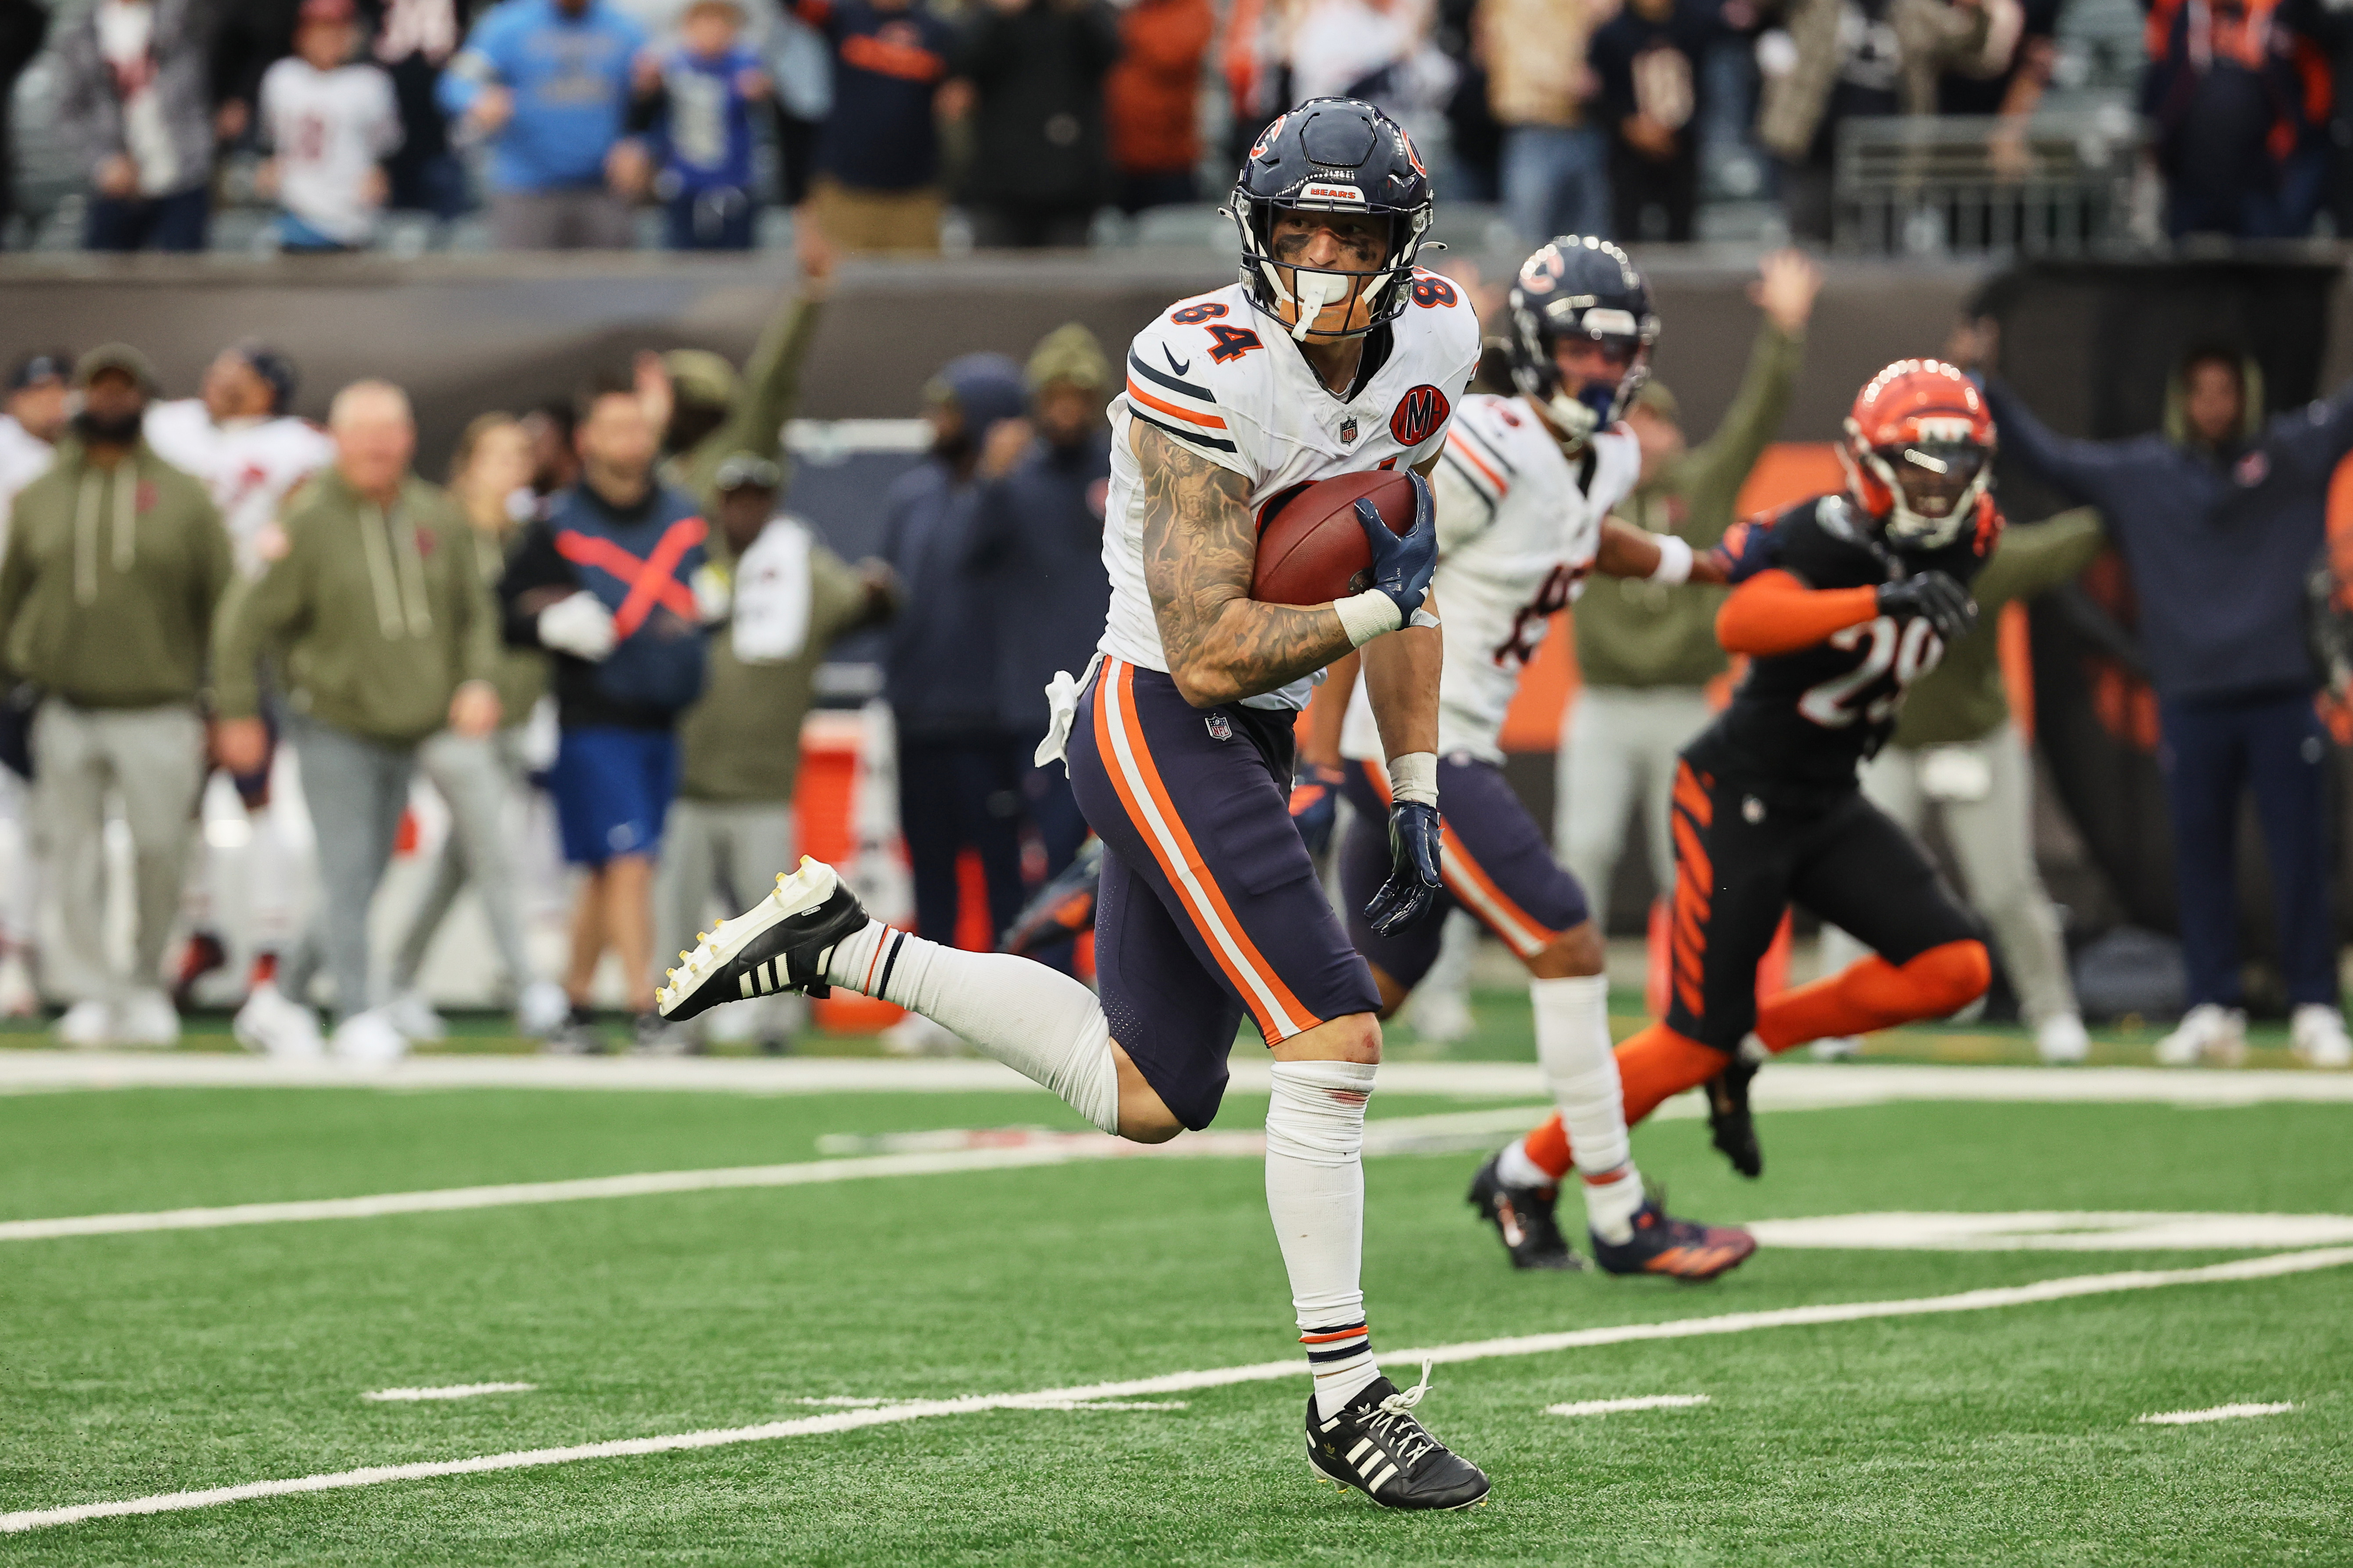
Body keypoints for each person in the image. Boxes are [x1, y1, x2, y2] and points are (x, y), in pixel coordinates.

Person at [661, 97, 1492, 1510]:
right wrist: (1373, 598)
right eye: (1295, 227)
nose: (1320, 255)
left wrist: (1411, 784)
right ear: (1252, 228)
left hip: (1256, 734)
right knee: (1336, 1039)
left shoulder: (1435, 343)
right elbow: (1221, 641)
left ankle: (845, 945)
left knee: (1151, 1092)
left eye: (1350, 233)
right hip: (1159, 709)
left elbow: (1402, 577)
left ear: (1401, 246)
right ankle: (1349, 1401)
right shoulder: (1194, 360)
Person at [1307, 237, 1754, 1279]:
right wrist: (1320, 763)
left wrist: (1705, 564)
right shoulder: (1492, 442)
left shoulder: (1608, 456)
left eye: (1618, 352)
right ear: (1537, 350)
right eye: (1581, 349)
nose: (1602, 371)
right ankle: (1619, 1211)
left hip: (1443, 744)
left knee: (1368, 991)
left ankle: (1203, 1048)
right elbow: (1366, 578)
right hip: (1418, 745)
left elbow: (1581, 533)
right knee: (1565, 936)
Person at [1494, 358, 2001, 1197]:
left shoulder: (1974, 535)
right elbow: (1742, 619)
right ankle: (1524, 1168)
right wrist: (1878, 600)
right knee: (1689, 1036)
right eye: (1917, 464)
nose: (1939, 487)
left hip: (1827, 796)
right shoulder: (1823, 535)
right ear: (1868, 463)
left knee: (1955, 968)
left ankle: (1750, 1042)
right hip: (1738, 795)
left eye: (1955, 465)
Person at [1964, 326, 2353, 1069]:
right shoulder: (2141, 472)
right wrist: (1982, 380)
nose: (2213, 405)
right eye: (2200, 391)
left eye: (2226, 390)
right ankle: (2212, 1005)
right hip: (2191, 697)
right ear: (2181, 400)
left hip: (2280, 696)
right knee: (2198, 857)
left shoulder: (2294, 455)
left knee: (2300, 855)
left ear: (2246, 394)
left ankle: (2314, 1003)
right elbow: (2047, 457)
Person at [214, 382, 503, 1063]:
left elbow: (476, 613)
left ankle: (279, 999)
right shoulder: (306, 522)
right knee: (346, 870)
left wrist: (479, 679)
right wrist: (234, 706)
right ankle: (355, 1010)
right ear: (337, 440)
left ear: (408, 438)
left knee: (366, 871)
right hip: (330, 720)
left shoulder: (438, 514)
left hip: (409, 723)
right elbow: (241, 620)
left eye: (389, 430)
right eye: (362, 431)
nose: (376, 445)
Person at [1555, 249, 1817, 981]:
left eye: (1656, 423)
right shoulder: (1585, 485)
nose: (1644, 435)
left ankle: (1702, 985)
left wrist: (1785, 331)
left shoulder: (1702, 486)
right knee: (1582, 846)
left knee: (1693, 855)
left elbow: (1756, 416)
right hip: (1601, 702)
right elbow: (1516, 428)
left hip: (1682, 702)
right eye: (1631, 420)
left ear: (1673, 432)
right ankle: (1573, 983)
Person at [0, 345, 232, 1046]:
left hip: (159, 702)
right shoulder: (41, 494)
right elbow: (11, 594)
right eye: (98, 392)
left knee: (161, 849)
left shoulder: (187, 495)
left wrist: (225, 698)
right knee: (72, 855)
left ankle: (143, 981)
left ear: (144, 402)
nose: (109, 403)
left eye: (122, 392)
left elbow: (223, 601)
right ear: (80, 401)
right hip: (65, 703)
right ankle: (95, 988)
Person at [1815, 506, 2106, 1064]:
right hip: (1889, 744)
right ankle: (1838, 1011)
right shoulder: (1854, 554)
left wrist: (2113, 508)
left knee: (2004, 888)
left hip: (1976, 740)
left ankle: (2053, 1011)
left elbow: (2060, 547)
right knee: (1856, 880)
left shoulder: (1985, 562)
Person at [500, 376, 714, 1052]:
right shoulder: (557, 522)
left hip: (663, 717)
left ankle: (575, 1007)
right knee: (632, 862)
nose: (633, 441)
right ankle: (650, 1008)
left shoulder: (682, 517)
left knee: (604, 867)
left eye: (640, 427)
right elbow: (508, 609)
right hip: (594, 718)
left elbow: (709, 586)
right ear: (587, 439)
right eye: (616, 428)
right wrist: (550, 620)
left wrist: (710, 608)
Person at [655, 451, 894, 1052]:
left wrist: (878, 592)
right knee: (678, 923)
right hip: (685, 778)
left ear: (773, 503)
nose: (744, 509)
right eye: (734, 497)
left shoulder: (801, 568)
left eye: (756, 498)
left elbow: (868, 604)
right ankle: (678, 1025)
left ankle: (776, 1028)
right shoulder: (689, 560)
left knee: (774, 921)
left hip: (762, 781)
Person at [144, 342, 335, 1008]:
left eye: (240, 372)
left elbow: (316, 516)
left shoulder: (299, 447)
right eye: (220, 364)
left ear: (269, 392)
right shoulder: (169, 426)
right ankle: (201, 929)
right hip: (176, 635)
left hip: (254, 640)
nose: (219, 375)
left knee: (257, 794)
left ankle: (269, 948)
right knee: (181, 797)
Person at [384, 413, 569, 1042]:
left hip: (517, 715)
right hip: (453, 719)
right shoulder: (440, 525)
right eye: (496, 455)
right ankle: (531, 988)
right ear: (467, 463)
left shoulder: (530, 534)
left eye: (520, 455)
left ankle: (394, 981)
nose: (511, 467)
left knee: (461, 860)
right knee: (493, 845)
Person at [878, 352, 1031, 970]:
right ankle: (929, 1001)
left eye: (946, 412)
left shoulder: (1021, 494)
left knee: (1003, 867)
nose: (932, 423)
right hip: (917, 714)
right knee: (930, 865)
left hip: (989, 718)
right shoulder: (910, 495)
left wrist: (997, 479)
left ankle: (1013, 993)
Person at [965, 323, 1114, 947]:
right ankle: (1049, 987)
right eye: (1056, 397)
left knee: (1126, 856)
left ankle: (1126, 991)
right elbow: (966, 559)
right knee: (1048, 853)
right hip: (1038, 705)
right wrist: (989, 484)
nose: (1067, 411)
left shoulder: (1124, 468)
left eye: (1079, 398)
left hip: (1114, 694)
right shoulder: (1015, 482)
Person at [1754, 0, 1989, 240]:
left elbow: (1970, 47)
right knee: (1809, 239)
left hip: (1886, 156)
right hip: (1816, 143)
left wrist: (1980, 12)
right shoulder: (1819, 6)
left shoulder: (1916, 9)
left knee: (1880, 245)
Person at [438, 0, 650, 250]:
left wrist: (639, 145)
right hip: (526, 190)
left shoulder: (624, 28)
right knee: (521, 286)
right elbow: (455, 83)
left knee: (610, 286)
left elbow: (654, 101)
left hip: (603, 189)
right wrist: (478, 100)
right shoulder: (508, 25)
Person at [0, 351, 68, 1017]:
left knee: (33, 819)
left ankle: (18, 953)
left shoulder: (76, 461)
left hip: (39, 663)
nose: (51, 403)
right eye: (38, 391)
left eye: (59, 391)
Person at [787, 0, 958, 255]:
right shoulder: (843, 18)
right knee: (843, 289)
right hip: (847, 190)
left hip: (915, 194)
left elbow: (962, 88)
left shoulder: (939, 31)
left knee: (918, 290)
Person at [54, 0, 219, 252]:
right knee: (104, 282)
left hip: (183, 176)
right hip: (117, 186)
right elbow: (69, 113)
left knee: (185, 281)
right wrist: (103, 163)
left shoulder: (182, 19)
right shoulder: (83, 36)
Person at [954, 0, 1122, 248]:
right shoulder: (995, 18)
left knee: (1069, 280)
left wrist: (1078, 11)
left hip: (1070, 185)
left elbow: (1111, 55)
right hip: (1000, 184)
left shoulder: (1081, 16)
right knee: (995, 281)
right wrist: (999, 15)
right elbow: (962, 64)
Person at [257, 0, 404, 253]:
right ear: (301, 35)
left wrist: (379, 173)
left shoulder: (371, 84)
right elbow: (271, 140)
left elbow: (387, 147)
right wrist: (269, 165)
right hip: (296, 213)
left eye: (336, 30)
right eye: (319, 30)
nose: (327, 39)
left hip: (352, 219)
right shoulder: (281, 78)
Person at [632, 0, 775, 250]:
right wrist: (647, 87)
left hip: (734, 185)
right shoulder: (673, 65)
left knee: (736, 265)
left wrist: (761, 89)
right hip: (686, 185)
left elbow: (764, 94)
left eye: (720, 22)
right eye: (704, 22)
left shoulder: (744, 64)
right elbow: (643, 110)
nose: (712, 31)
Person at [1476, 0, 1611, 241]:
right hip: (1533, 126)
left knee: (1591, 239)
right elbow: (1506, 50)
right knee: (1529, 240)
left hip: (1587, 124)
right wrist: (1568, 78)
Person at [1588, 0, 1718, 242]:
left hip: (1681, 144)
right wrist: (1630, 126)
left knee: (1682, 231)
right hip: (1627, 148)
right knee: (1626, 229)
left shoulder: (1696, 26)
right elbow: (1598, 96)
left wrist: (1675, 127)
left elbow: (1706, 88)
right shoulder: (1611, 33)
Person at [1105, 0, 1213, 214]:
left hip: (1168, 161)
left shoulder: (1190, 8)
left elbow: (1172, 53)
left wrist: (1124, 24)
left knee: (1168, 236)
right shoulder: (1134, 11)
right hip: (1117, 155)